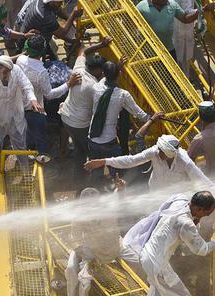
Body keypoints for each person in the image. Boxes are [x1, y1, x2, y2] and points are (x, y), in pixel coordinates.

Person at [88, 59, 153, 186]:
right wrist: (152, 118)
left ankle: (97, 189)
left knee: (96, 168)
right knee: (117, 170)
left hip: (92, 139)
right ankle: (117, 189)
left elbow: (106, 78)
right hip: (109, 142)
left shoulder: (96, 88)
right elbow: (139, 113)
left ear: (103, 73)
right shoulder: (123, 95)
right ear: (118, 75)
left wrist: (116, 68)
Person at [16, 34, 81, 163]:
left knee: (24, 134)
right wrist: (69, 83)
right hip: (35, 108)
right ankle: (42, 163)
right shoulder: (41, 71)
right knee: (40, 139)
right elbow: (49, 95)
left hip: (18, 104)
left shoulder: (20, 60)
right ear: (42, 51)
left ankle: (25, 158)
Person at [59, 37, 112, 188]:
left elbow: (83, 50)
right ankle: (88, 182)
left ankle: (78, 177)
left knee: (78, 149)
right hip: (80, 124)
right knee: (89, 151)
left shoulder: (79, 69)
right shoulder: (94, 86)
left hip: (66, 117)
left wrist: (101, 45)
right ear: (97, 70)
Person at [66, 183, 124, 296]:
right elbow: (75, 238)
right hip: (87, 249)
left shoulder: (108, 213)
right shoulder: (79, 216)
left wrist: (121, 190)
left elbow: (113, 235)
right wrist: (82, 252)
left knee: (138, 259)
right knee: (71, 271)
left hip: (109, 248)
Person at [85, 134, 213, 191]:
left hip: (175, 197)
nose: (158, 152)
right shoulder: (155, 151)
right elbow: (132, 160)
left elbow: (201, 179)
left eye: (161, 151)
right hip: (155, 191)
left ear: (170, 155)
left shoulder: (185, 161)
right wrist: (105, 161)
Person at [0, 55, 42, 170]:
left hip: (15, 118)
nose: (6, 75)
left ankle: (26, 174)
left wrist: (33, 99)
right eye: (3, 72)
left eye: (7, 72)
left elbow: (26, 85)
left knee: (21, 148)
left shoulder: (15, 71)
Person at [136, 0, 215, 58]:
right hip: (149, 53)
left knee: (171, 79)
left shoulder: (172, 4)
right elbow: (130, 23)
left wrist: (203, 10)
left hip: (168, 50)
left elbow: (185, 19)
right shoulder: (141, 7)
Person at [187, 101, 215, 176]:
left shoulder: (199, 139)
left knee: (200, 167)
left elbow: (188, 160)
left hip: (214, 176)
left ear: (200, 118)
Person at [173, 0, 195, 77]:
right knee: (178, 53)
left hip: (188, 28)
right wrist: (200, 11)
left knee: (187, 54)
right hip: (178, 26)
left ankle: (186, 76)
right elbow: (184, 14)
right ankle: (179, 79)